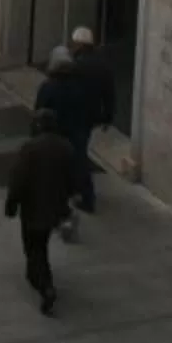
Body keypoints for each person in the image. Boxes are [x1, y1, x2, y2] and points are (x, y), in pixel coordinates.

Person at [4, 109, 80, 315]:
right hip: (55, 207)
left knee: (33, 246)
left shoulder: (29, 149)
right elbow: (74, 177)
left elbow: (18, 179)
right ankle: (36, 276)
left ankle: (45, 285)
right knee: (41, 243)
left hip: (33, 207)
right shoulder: (66, 147)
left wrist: (12, 204)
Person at [36, 26, 115, 215]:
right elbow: (109, 93)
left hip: (67, 122)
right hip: (86, 119)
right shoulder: (103, 65)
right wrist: (107, 117)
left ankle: (79, 195)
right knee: (79, 155)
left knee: (72, 158)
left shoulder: (73, 70)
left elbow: (42, 108)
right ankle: (80, 191)